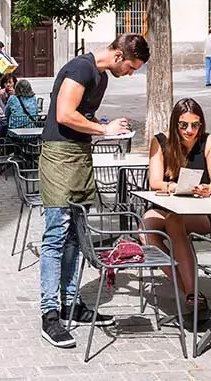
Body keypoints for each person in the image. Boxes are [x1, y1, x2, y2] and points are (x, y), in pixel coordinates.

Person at [37, 33, 147, 349]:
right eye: (130, 67)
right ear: (117, 56)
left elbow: (81, 117)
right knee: (56, 235)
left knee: (76, 234)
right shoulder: (80, 69)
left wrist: (107, 124)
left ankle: (72, 304)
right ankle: (50, 315)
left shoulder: (100, 77)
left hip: (79, 156)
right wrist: (103, 130)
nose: (130, 73)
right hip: (59, 156)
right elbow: (63, 115)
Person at [142, 98, 211, 313]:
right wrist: (172, 186)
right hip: (169, 204)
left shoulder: (209, 142)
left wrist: (209, 188)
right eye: (183, 125)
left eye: (195, 125)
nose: (190, 131)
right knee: (146, 229)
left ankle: (192, 294)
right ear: (174, 124)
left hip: (199, 209)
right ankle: (190, 290)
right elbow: (155, 182)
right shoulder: (161, 142)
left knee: (175, 221)